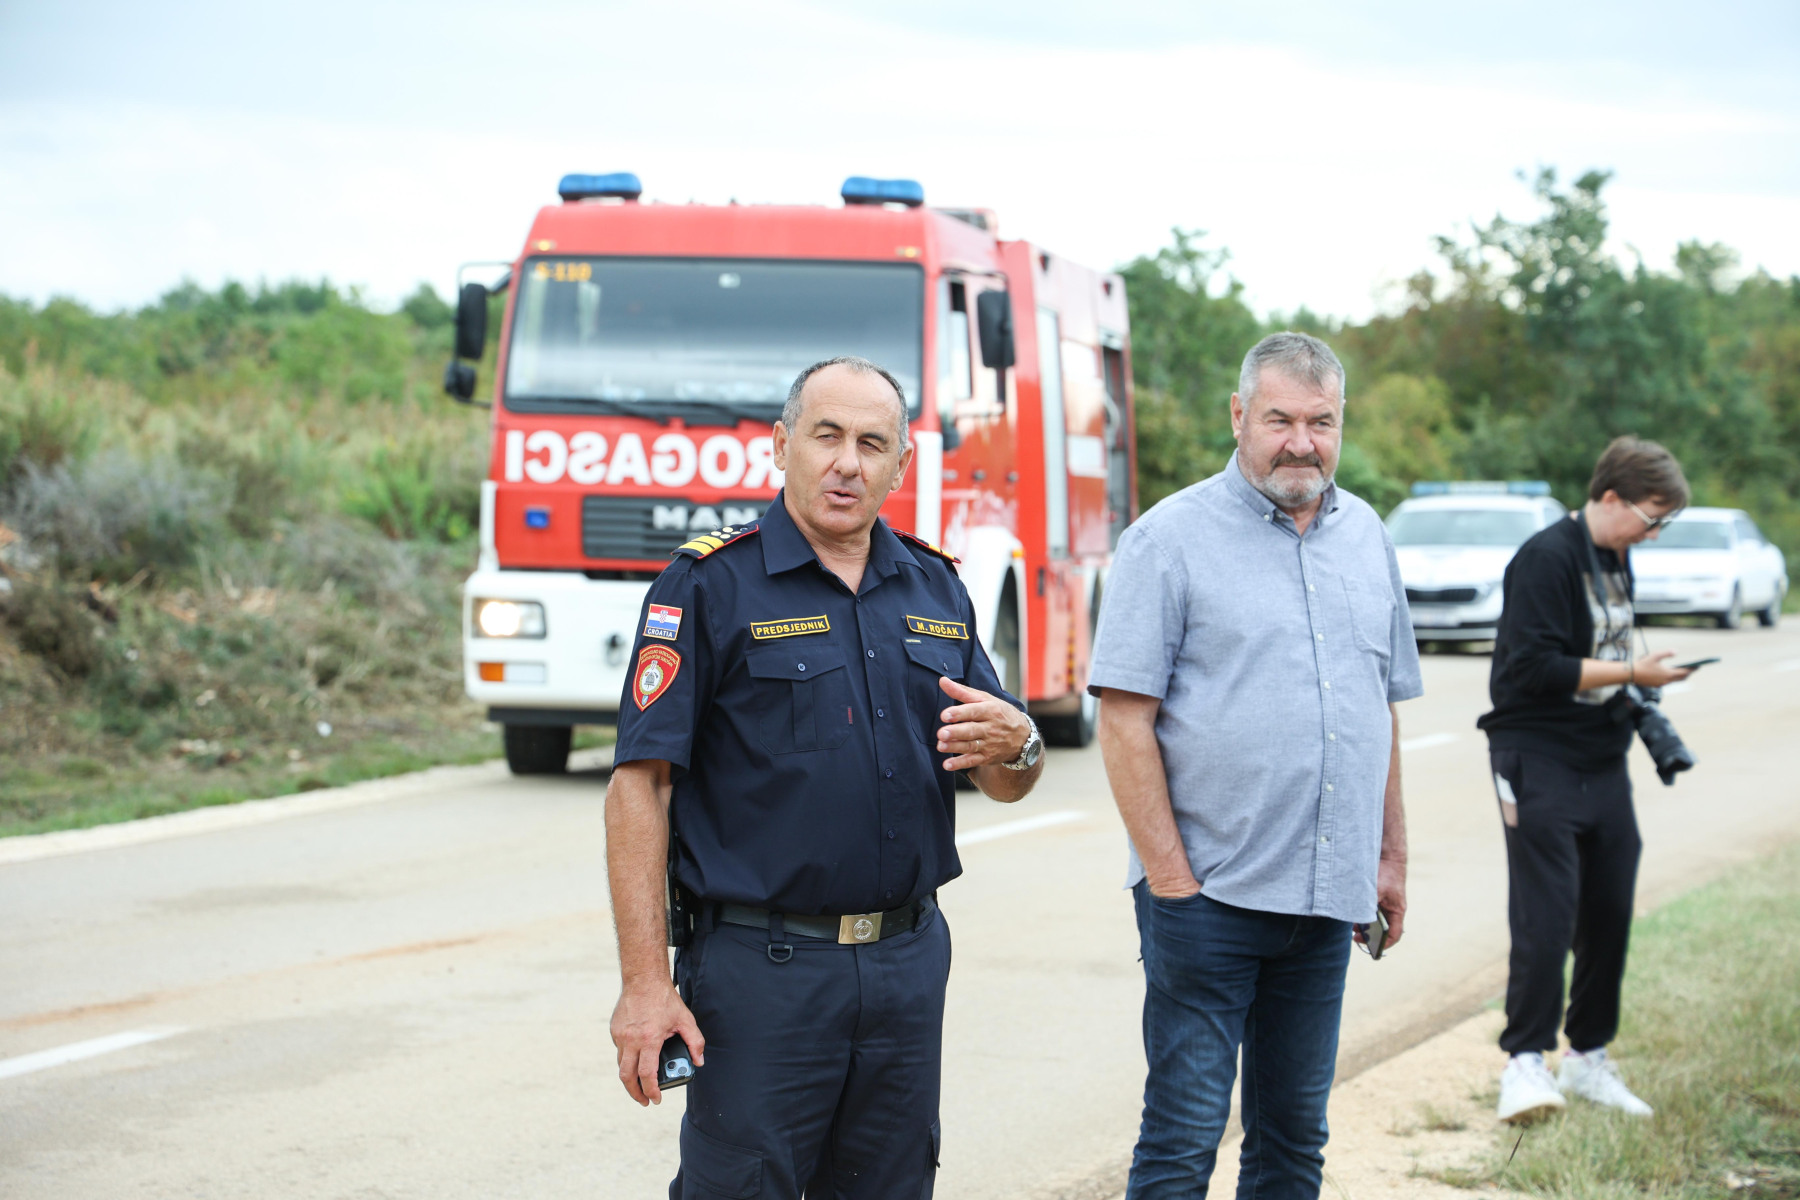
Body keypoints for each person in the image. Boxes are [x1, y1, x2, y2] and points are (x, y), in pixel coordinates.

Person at [605, 356, 1045, 1200]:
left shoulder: (936, 586)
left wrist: (1022, 741)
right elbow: (639, 788)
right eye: (827, 436)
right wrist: (645, 984)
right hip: (762, 972)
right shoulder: (709, 584)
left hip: (907, 965)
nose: (847, 463)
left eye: (872, 444)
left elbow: (1001, 774)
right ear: (782, 445)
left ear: (900, 465)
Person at [1090, 331, 1422, 1199]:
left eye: (1321, 422)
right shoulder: (1167, 540)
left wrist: (1388, 858)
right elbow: (1123, 721)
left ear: (1341, 424)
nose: (1301, 443)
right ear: (1239, 415)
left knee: (1292, 1142)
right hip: (1209, 899)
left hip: (1325, 904)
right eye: (1280, 420)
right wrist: (1172, 882)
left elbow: (1378, 707)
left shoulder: (1368, 538)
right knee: (1183, 1139)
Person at [1479, 436, 1692, 1124]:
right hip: (1535, 754)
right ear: (1610, 497)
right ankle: (1524, 1064)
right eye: (1650, 519)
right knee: (1546, 914)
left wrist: (1638, 685)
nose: (1652, 535)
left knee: (1608, 908)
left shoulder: (1616, 557)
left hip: (1601, 755)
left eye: (1663, 524)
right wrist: (1634, 672)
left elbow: (1606, 646)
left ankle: (1588, 1056)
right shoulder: (1546, 558)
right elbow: (1534, 667)